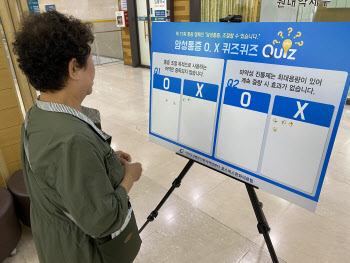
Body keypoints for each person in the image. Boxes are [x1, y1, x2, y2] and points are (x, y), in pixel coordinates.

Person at [13, 10, 142, 263]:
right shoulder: (72, 140)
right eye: (89, 57)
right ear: (74, 68)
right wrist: (129, 177)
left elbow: (57, 177)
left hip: (54, 239)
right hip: (80, 251)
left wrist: (104, 162)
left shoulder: (36, 115)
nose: (93, 63)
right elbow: (104, 220)